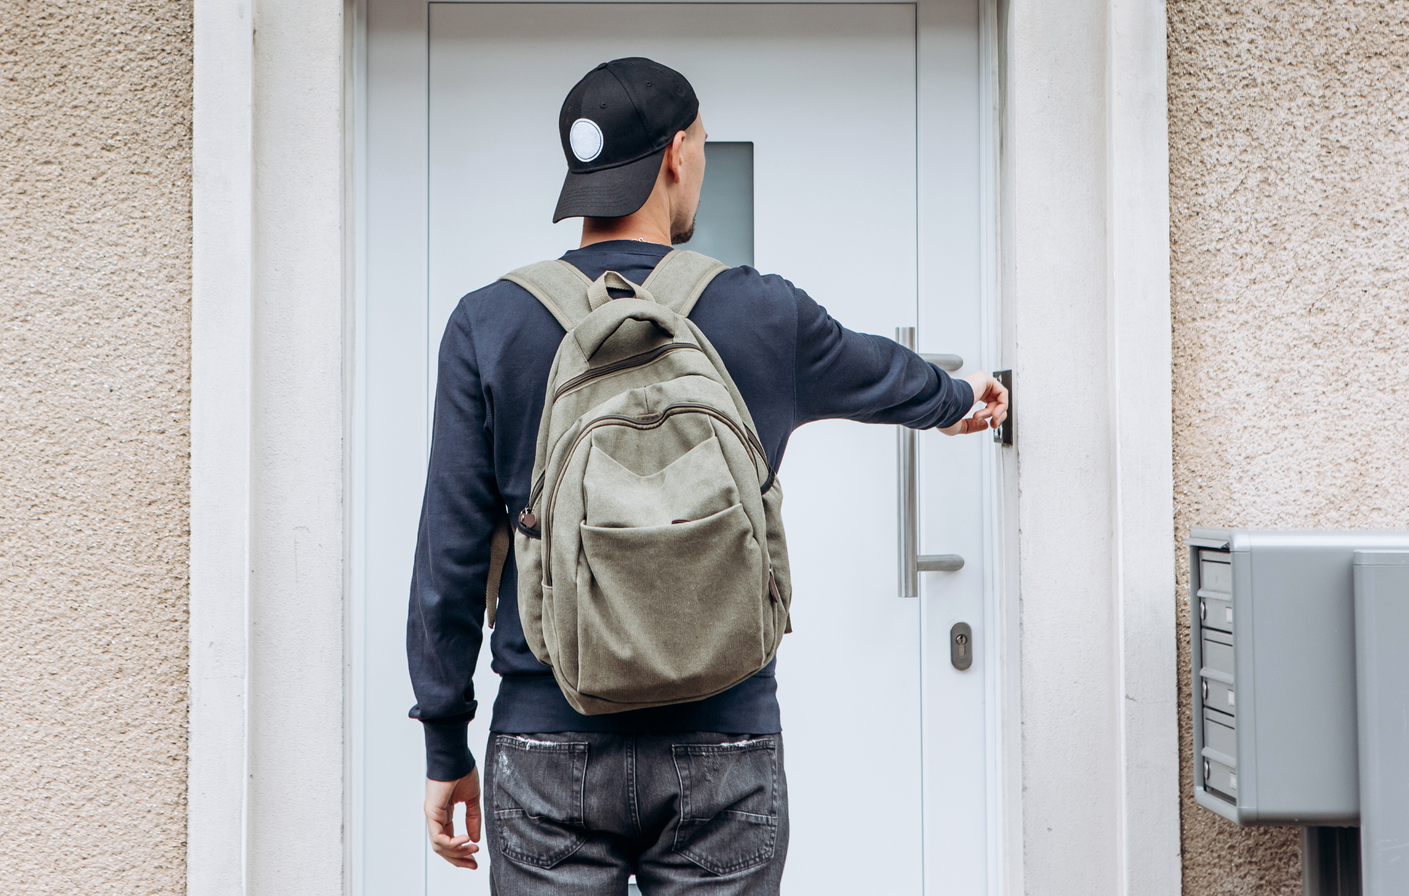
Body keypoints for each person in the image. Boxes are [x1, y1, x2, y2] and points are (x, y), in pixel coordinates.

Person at [408, 56, 1008, 894]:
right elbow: (881, 375)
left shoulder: (488, 323)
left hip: (546, 742)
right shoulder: (763, 312)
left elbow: (450, 554)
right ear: (677, 154)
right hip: (725, 742)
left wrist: (445, 742)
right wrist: (959, 398)